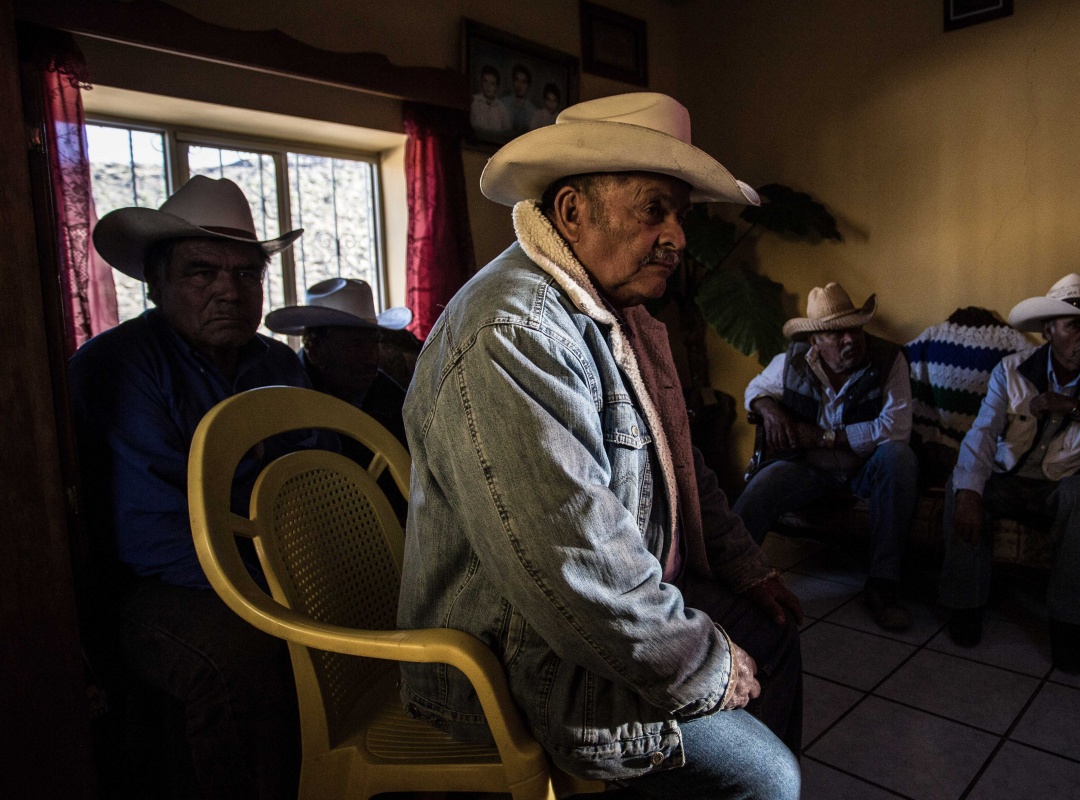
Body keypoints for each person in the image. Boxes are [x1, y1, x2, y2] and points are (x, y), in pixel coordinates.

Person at [398, 92, 804, 799]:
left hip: (620, 611)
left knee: (777, 641)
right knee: (769, 779)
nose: (678, 236)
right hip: (523, 661)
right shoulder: (514, 330)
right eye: (655, 210)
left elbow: (684, 469)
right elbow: (573, 562)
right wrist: (705, 667)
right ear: (572, 214)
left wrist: (747, 569)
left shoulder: (620, 309)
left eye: (682, 214)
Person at [70, 175, 317, 799]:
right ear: (156, 283)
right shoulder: (120, 365)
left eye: (246, 274)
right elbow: (152, 531)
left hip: (277, 567)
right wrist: (276, 596)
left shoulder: (281, 366)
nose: (228, 291)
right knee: (243, 660)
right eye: (201, 272)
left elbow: (317, 485)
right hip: (158, 586)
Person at [939, 272, 1080, 673]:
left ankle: (1067, 626)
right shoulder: (1010, 371)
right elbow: (983, 434)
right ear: (1049, 330)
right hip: (1010, 478)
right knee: (961, 485)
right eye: (1075, 324)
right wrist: (970, 492)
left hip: (1063, 485)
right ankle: (965, 605)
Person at [732, 283, 919, 631]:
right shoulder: (792, 360)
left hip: (866, 468)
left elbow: (895, 430)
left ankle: (882, 584)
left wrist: (825, 437)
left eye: (855, 328)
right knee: (760, 488)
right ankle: (729, 580)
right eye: (837, 332)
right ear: (815, 340)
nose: (851, 339)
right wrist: (770, 410)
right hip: (809, 468)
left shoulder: (889, 360)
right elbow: (755, 389)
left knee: (899, 458)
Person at [265, 277, 411, 512]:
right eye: (354, 346)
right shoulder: (285, 399)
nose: (372, 358)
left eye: (374, 343)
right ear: (313, 348)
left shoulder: (389, 394)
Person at [469, 64, 510, 139]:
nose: (488, 86)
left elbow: (508, 135)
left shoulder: (502, 108)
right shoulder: (472, 102)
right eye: (486, 82)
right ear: (481, 83)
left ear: (497, 87)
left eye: (492, 83)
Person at [502, 62, 535, 134]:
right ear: (513, 81)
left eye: (523, 82)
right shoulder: (503, 103)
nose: (519, 85)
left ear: (528, 85)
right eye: (517, 80)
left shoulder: (532, 110)